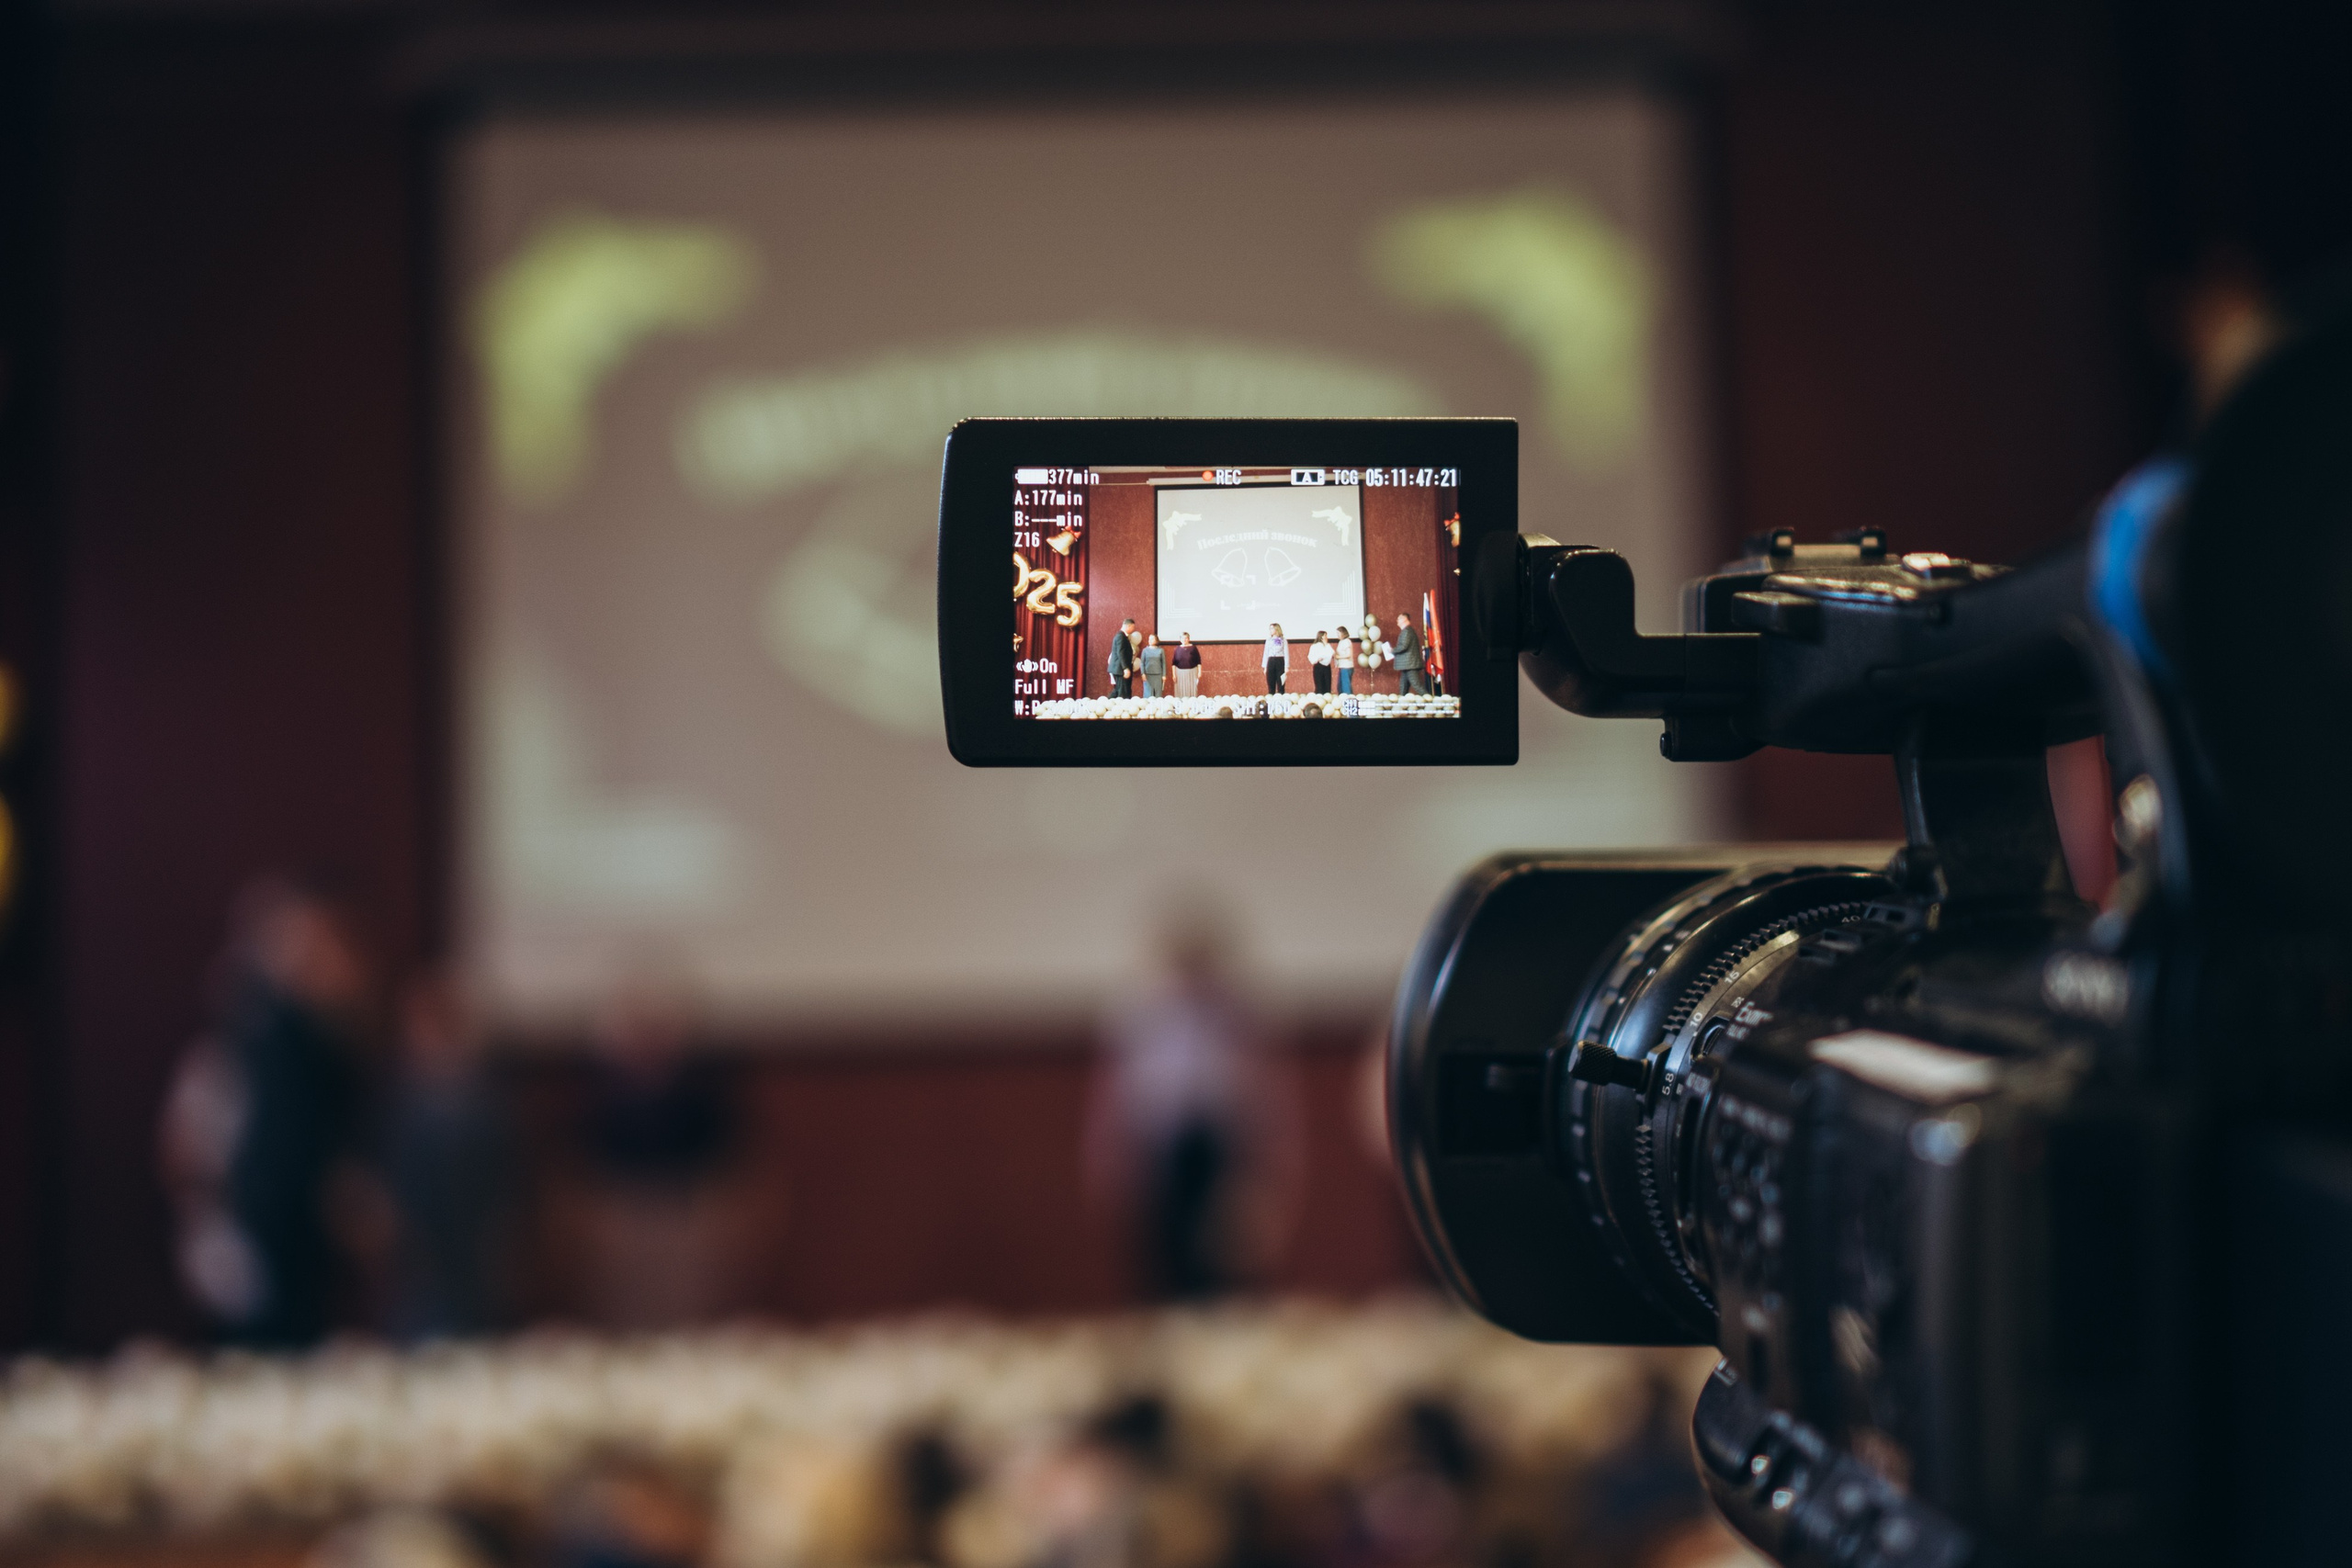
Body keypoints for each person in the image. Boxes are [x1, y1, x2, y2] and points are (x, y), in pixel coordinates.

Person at [160, 875, 374, 1348]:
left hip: (299, 1232)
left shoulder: (311, 1030)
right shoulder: (256, 1032)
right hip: (258, 1231)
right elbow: (198, 1141)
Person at [1086, 909, 1299, 1299]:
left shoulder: (1237, 1016)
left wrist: (1268, 1174)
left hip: (1222, 1156)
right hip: (1161, 1156)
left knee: (1227, 1268)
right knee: (1163, 1269)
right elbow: (1119, 1096)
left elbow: (1266, 1100)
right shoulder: (1142, 1015)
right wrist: (1111, 1157)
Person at [379, 970, 517, 1340]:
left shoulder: (483, 1100)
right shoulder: (400, 1098)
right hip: (415, 1255)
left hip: (475, 1252)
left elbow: (507, 1179)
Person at [1394, 613, 1431, 695]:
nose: (1397, 621)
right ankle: (1402, 705)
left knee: (1417, 685)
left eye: (1399, 619)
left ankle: (1431, 702)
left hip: (1410, 664)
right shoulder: (1408, 631)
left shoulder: (1407, 631)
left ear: (1404, 619)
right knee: (1403, 687)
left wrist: (1392, 651)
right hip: (1407, 665)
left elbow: (1403, 646)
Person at [1108, 616, 1137, 698]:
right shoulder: (1121, 637)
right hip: (1120, 670)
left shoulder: (1123, 636)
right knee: (1123, 693)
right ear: (1129, 626)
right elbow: (1121, 653)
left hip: (1120, 669)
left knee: (1118, 690)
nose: (1134, 629)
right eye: (1133, 627)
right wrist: (1125, 668)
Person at [1170, 632, 1202, 698]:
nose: (1184, 640)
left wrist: (1199, 672)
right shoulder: (1177, 649)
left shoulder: (1193, 648)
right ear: (1180, 639)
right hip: (1180, 673)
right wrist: (1174, 674)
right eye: (1182, 638)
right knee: (1180, 690)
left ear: (1188, 639)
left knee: (1192, 690)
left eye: (1186, 638)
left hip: (1192, 672)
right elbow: (1174, 663)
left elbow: (1198, 661)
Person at [1262, 623, 1288, 694]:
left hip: (1280, 661)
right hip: (1271, 661)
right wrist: (1265, 667)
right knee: (1271, 683)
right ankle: (1271, 697)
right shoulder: (1268, 640)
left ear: (1276, 629)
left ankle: (1281, 696)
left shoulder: (1283, 640)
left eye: (1272, 628)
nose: (1270, 630)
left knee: (1281, 683)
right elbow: (1266, 653)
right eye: (1270, 629)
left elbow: (1286, 653)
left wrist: (1286, 667)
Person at [1139, 633, 1167, 698]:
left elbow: (1163, 663)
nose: (1150, 640)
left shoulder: (1161, 650)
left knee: (1158, 693)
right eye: (1149, 639)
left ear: (1156, 640)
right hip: (1148, 675)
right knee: (1148, 693)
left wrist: (1164, 675)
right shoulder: (1145, 650)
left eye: (1152, 639)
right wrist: (1143, 673)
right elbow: (1142, 662)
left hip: (1158, 674)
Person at [1307, 629, 1333, 694]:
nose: (1326, 637)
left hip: (1327, 666)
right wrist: (1317, 659)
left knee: (1327, 685)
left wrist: (1326, 644)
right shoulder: (1314, 646)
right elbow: (1310, 656)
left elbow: (1331, 653)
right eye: (1325, 636)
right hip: (1318, 666)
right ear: (1321, 637)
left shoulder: (1327, 645)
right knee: (1319, 686)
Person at [1333, 626, 1356, 694]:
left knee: (1346, 687)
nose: (1337, 635)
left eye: (1338, 633)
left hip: (1347, 667)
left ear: (1343, 633)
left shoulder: (1346, 641)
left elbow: (1349, 655)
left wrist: (1338, 657)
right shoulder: (1341, 642)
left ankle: (1348, 700)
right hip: (1342, 667)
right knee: (1340, 686)